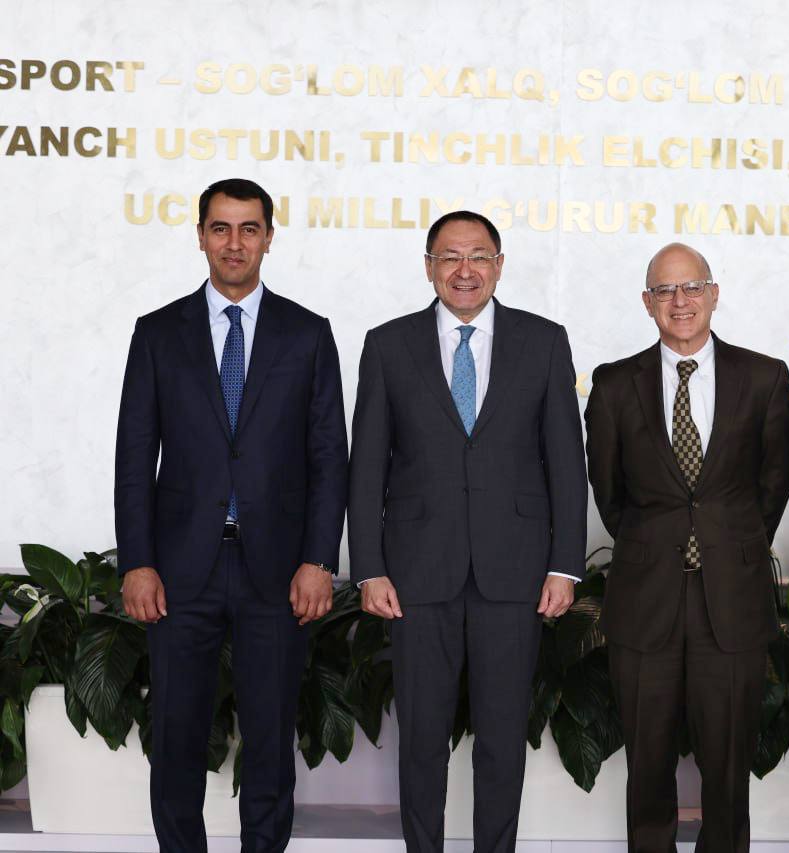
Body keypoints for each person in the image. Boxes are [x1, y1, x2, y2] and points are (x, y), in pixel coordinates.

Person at [115, 178, 348, 852]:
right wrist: (138, 562)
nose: (235, 242)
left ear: (269, 237)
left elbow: (329, 459)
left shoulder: (308, 334)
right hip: (180, 570)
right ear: (200, 237)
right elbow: (135, 458)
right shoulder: (158, 333)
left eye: (249, 228)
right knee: (176, 736)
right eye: (221, 228)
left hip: (276, 571)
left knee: (270, 740)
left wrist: (318, 560)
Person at [347, 211, 587, 853]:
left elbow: (567, 461)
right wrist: (369, 567)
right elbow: (366, 466)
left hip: (516, 572)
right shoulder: (388, 344)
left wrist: (565, 564)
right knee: (422, 740)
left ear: (499, 266)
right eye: (449, 256)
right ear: (429, 267)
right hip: (415, 574)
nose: (464, 269)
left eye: (478, 256)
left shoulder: (544, 341)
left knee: (503, 740)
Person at [584, 242, 789, 852]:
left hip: (731, 599)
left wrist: (728, 545)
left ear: (713, 294)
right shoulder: (614, 384)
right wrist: (657, 544)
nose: (679, 301)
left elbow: (774, 485)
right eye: (665, 290)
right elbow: (609, 492)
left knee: (728, 767)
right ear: (647, 302)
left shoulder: (764, 378)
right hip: (644, 598)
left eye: (692, 287)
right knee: (647, 764)